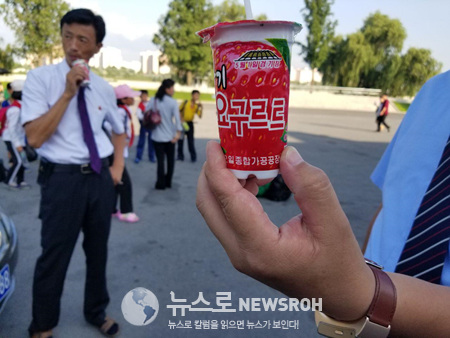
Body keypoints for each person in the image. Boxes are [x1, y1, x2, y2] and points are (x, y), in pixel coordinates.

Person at [21, 9, 126, 338]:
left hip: (99, 177)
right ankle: (42, 324)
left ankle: (96, 311)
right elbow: (35, 137)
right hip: (61, 180)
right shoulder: (40, 79)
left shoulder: (104, 88)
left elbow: (119, 129)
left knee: (98, 252)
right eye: (68, 36)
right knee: (54, 254)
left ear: (97, 47)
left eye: (83, 39)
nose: (73, 46)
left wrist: (117, 168)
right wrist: (68, 93)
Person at [112, 84, 140, 223]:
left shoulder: (124, 110)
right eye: (131, 97)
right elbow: (116, 132)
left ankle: (111, 208)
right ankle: (125, 211)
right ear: (123, 99)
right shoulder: (120, 112)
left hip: (118, 151)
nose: (134, 98)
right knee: (125, 183)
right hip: (116, 152)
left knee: (115, 182)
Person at [149, 79, 182, 190]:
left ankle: (160, 183)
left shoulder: (153, 100)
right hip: (169, 137)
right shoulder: (172, 102)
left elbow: (145, 113)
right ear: (167, 89)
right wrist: (178, 134)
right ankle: (168, 182)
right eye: (172, 88)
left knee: (160, 162)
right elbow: (177, 120)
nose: (173, 90)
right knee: (170, 161)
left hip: (156, 136)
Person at [2, 79, 28, 188]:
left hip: (17, 138)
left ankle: (20, 180)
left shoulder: (19, 106)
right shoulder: (16, 109)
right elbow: (11, 128)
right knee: (17, 161)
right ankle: (9, 181)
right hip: (12, 138)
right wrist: (17, 144)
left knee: (21, 160)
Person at [177, 90, 202, 162]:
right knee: (180, 140)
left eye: (198, 95)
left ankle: (193, 157)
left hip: (190, 124)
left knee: (190, 141)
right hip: (183, 123)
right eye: (196, 95)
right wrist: (181, 120)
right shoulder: (185, 102)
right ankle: (180, 156)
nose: (197, 97)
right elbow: (179, 110)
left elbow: (200, 115)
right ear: (192, 95)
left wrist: (201, 108)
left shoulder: (196, 106)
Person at [134, 89, 155, 163]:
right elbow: (139, 116)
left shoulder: (150, 104)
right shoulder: (140, 106)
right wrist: (146, 117)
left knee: (151, 141)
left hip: (150, 125)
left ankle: (151, 156)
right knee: (141, 141)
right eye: (143, 96)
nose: (144, 98)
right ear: (140, 97)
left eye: (145, 96)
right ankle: (138, 156)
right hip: (143, 124)